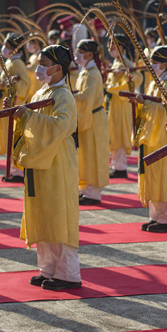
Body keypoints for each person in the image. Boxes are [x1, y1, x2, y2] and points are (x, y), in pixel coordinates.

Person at [12, 44, 81, 291]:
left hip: (58, 162)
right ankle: (48, 268)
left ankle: (68, 273)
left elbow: (61, 125)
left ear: (58, 68)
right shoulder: (43, 91)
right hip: (41, 158)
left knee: (58, 215)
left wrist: (29, 117)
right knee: (43, 213)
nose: (39, 68)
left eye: (43, 63)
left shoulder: (64, 95)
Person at [135, 46, 167, 233]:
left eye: (154, 62)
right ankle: (156, 216)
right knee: (153, 177)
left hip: (161, 136)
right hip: (152, 134)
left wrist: (145, 103)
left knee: (163, 178)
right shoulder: (156, 82)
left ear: (164, 65)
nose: (151, 66)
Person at [74, 38, 110, 206]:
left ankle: (94, 192)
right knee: (85, 155)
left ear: (89, 54)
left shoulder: (93, 74)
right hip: (87, 117)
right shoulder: (85, 72)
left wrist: (69, 95)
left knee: (94, 155)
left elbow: (87, 96)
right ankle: (86, 188)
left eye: (80, 53)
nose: (77, 56)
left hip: (94, 118)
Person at [104, 32, 142, 179]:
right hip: (113, 104)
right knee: (113, 134)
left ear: (120, 47)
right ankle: (117, 165)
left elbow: (133, 81)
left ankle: (121, 167)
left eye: (112, 45)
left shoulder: (127, 64)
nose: (109, 48)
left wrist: (110, 88)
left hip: (121, 104)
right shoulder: (116, 63)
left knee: (119, 134)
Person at [0, 34, 31, 183]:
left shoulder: (17, 64)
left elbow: (25, 84)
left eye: (8, 46)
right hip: (7, 103)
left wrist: (10, 84)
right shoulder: (10, 62)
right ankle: (12, 168)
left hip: (13, 105)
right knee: (8, 136)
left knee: (15, 137)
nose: (5, 49)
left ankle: (17, 170)